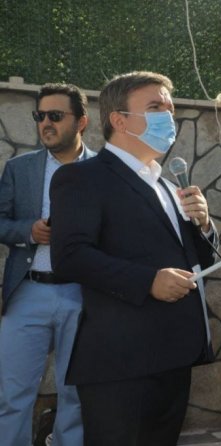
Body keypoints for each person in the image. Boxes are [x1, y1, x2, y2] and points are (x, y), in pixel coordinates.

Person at [49, 71, 218, 446]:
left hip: (174, 358)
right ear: (119, 120)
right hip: (121, 365)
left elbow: (196, 262)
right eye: (155, 107)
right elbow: (70, 256)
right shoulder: (82, 178)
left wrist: (204, 227)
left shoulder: (167, 185)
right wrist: (148, 281)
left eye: (170, 109)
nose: (168, 117)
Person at [0, 83, 94, 446]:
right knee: (13, 394)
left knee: (77, 395)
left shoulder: (103, 170)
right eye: (39, 116)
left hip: (83, 294)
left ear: (81, 121)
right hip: (28, 292)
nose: (45, 123)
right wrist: (29, 230)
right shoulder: (19, 168)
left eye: (55, 115)